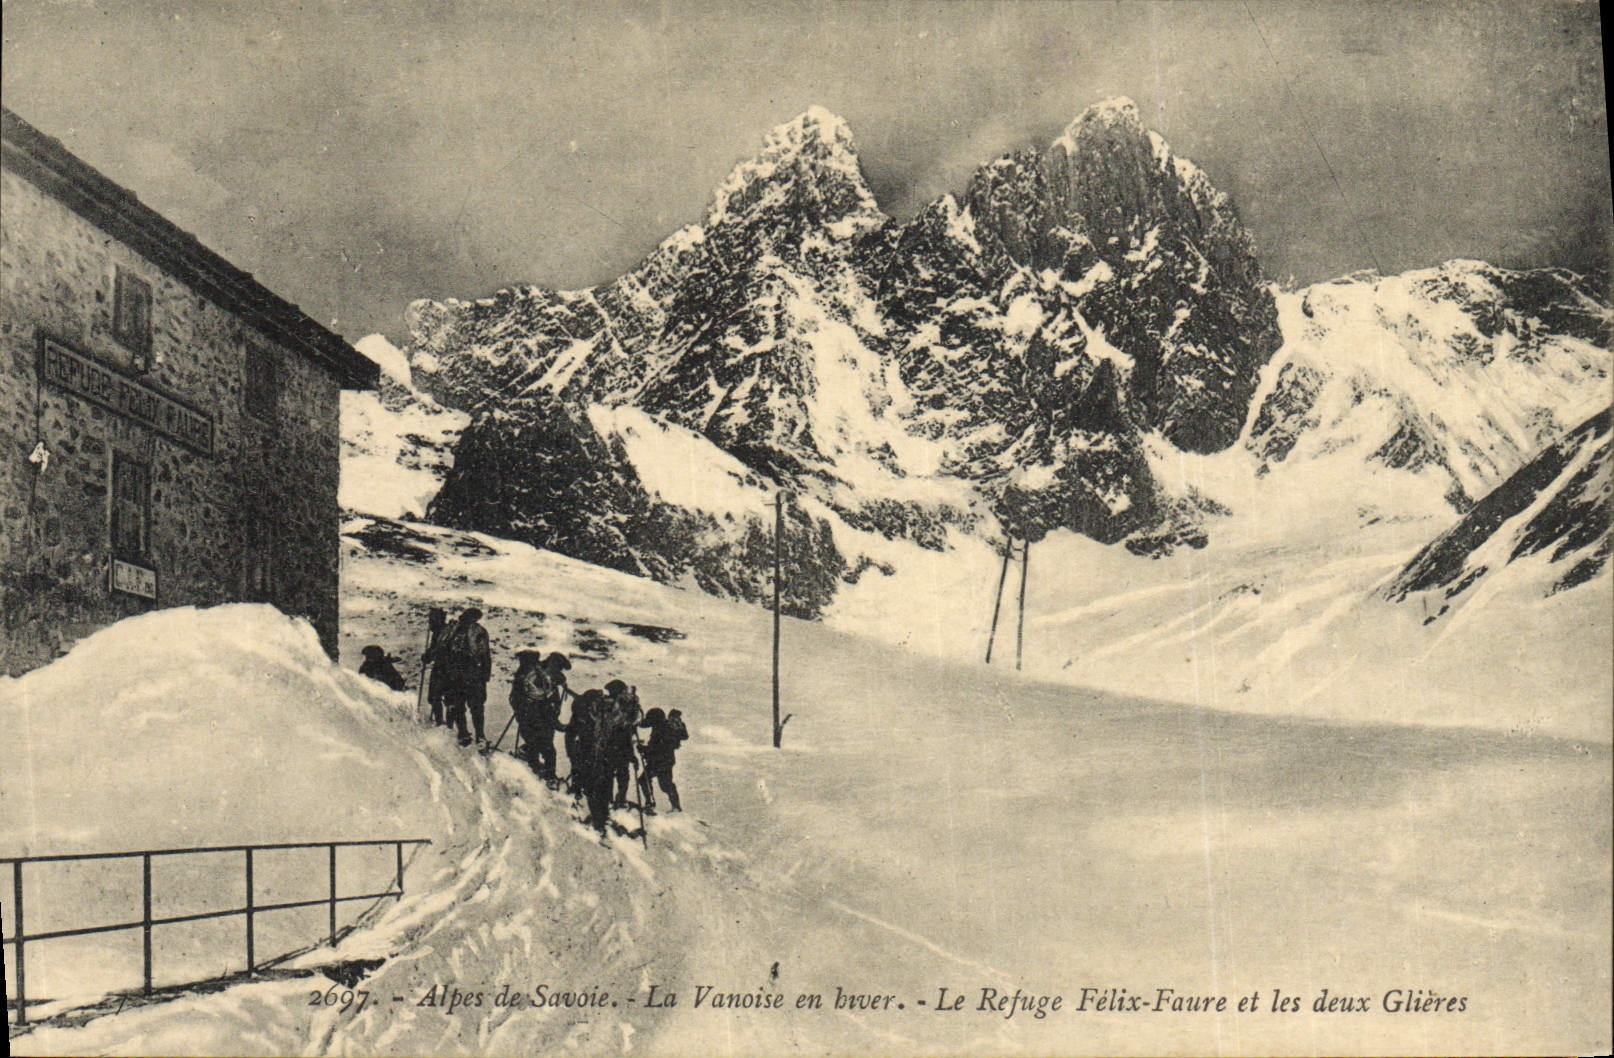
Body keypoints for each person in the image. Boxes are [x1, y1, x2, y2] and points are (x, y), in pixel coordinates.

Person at [509, 651, 570, 782]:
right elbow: (547, 707)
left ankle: (534, 766)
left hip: (529, 717)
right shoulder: (540, 679)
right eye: (559, 667)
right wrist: (557, 724)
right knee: (547, 750)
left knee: (537, 745)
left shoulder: (539, 675)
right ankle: (548, 777)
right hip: (535, 719)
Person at [439, 607, 491, 747]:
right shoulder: (476, 631)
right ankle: (469, 733)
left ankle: (471, 734)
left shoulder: (457, 630)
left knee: (467, 704)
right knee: (466, 705)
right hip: (464, 671)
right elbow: (485, 654)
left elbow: (484, 654)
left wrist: (485, 674)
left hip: (463, 671)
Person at [568, 688, 616, 834]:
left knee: (595, 787)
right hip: (594, 756)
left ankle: (599, 820)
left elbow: (570, 735)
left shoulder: (593, 715)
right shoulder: (593, 714)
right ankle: (600, 820)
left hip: (593, 756)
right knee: (596, 787)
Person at [637, 707, 688, 813]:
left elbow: (657, 747)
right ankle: (675, 806)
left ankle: (651, 803)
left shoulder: (661, 729)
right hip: (665, 761)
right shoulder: (663, 727)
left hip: (660, 761)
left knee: (648, 780)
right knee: (665, 784)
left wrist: (644, 749)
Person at [603, 680, 642, 809]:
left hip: (614, 746)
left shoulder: (620, 706)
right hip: (615, 746)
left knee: (614, 774)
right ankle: (617, 799)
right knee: (619, 775)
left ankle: (613, 799)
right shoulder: (612, 706)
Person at [420, 607, 450, 725]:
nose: (430, 623)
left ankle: (441, 722)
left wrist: (428, 656)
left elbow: (438, 650)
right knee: (436, 697)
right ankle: (442, 722)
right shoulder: (441, 632)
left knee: (437, 696)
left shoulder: (443, 632)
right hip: (443, 668)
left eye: (432, 620)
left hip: (444, 669)